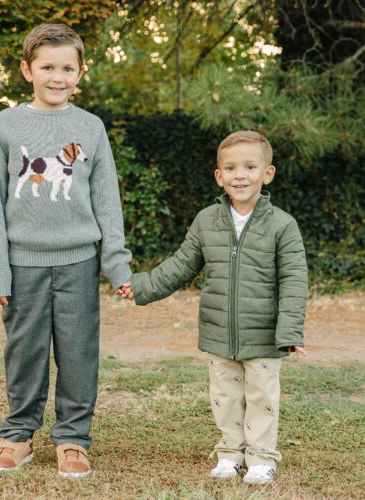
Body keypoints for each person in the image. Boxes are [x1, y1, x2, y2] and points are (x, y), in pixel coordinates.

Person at [0, 23, 132, 478]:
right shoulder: (7, 125)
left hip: (78, 263)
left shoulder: (90, 127)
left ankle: (72, 439)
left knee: (79, 351)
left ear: (80, 72)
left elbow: (107, 202)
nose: (57, 76)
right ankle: (18, 435)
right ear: (27, 70)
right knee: (23, 352)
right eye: (47, 67)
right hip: (21, 264)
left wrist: (116, 264)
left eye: (67, 68)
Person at [117, 131, 308, 485]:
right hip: (218, 331)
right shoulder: (207, 221)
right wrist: (141, 286)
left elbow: (294, 282)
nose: (240, 175)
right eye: (231, 168)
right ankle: (230, 454)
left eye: (250, 166)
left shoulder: (282, 225)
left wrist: (290, 332)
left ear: (268, 173)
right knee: (225, 396)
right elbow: (180, 265)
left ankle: (262, 457)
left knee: (262, 396)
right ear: (219, 176)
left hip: (264, 333)